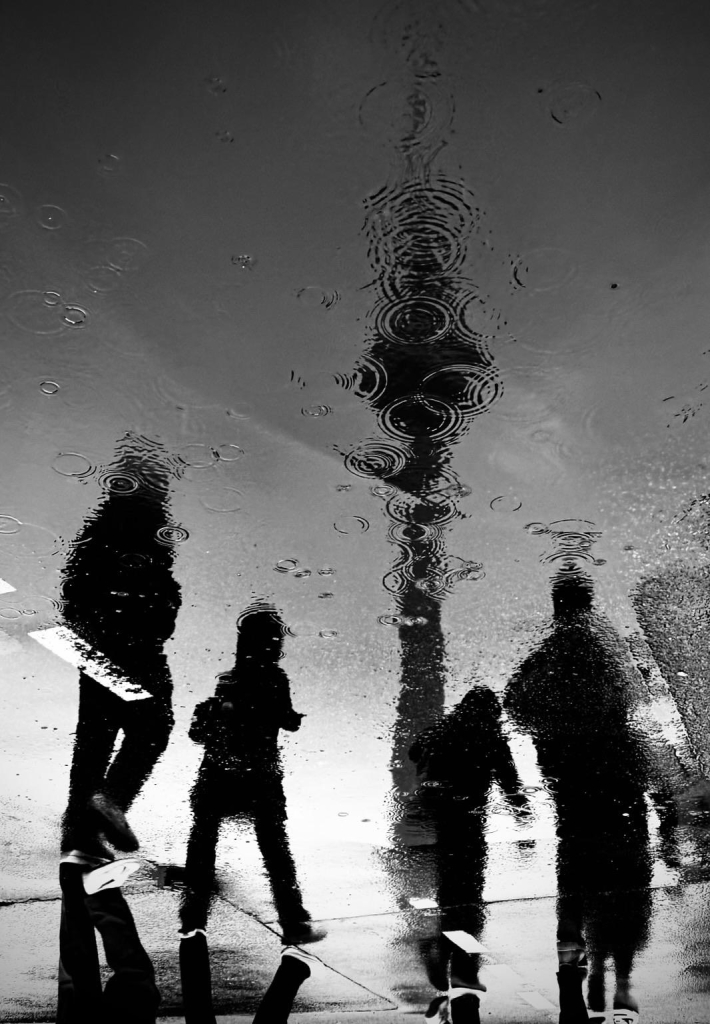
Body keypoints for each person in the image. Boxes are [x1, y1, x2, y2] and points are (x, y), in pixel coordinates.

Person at [504, 574, 660, 1024]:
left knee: (574, 859)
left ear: (557, 607)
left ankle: (571, 966)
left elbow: (516, 703)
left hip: (571, 776)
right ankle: (620, 971)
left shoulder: (545, 655)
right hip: (613, 771)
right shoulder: (606, 648)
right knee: (628, 861)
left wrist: (552, 735)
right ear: (589, 605)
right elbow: (635, 700)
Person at [178, 605, 324, 1024]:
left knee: (203, 838)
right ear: (274, 645)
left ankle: (195, 917)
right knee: (273, 847)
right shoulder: (275, 678)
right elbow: (283, 719)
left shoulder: (229, 679)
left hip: (218, 772)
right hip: (258, 773)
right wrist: (291, 718)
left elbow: (206, 728)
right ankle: (291, 921)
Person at [59, 433, 182, 861]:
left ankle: (81, 832)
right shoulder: (144, 527)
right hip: (132, 644)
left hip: (96, 644)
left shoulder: (102, 526)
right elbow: (163, 593)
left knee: (96, 741)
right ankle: (106, 806)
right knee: (151, 728)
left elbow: (72, 589)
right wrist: (155, 620)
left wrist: (84, 636)